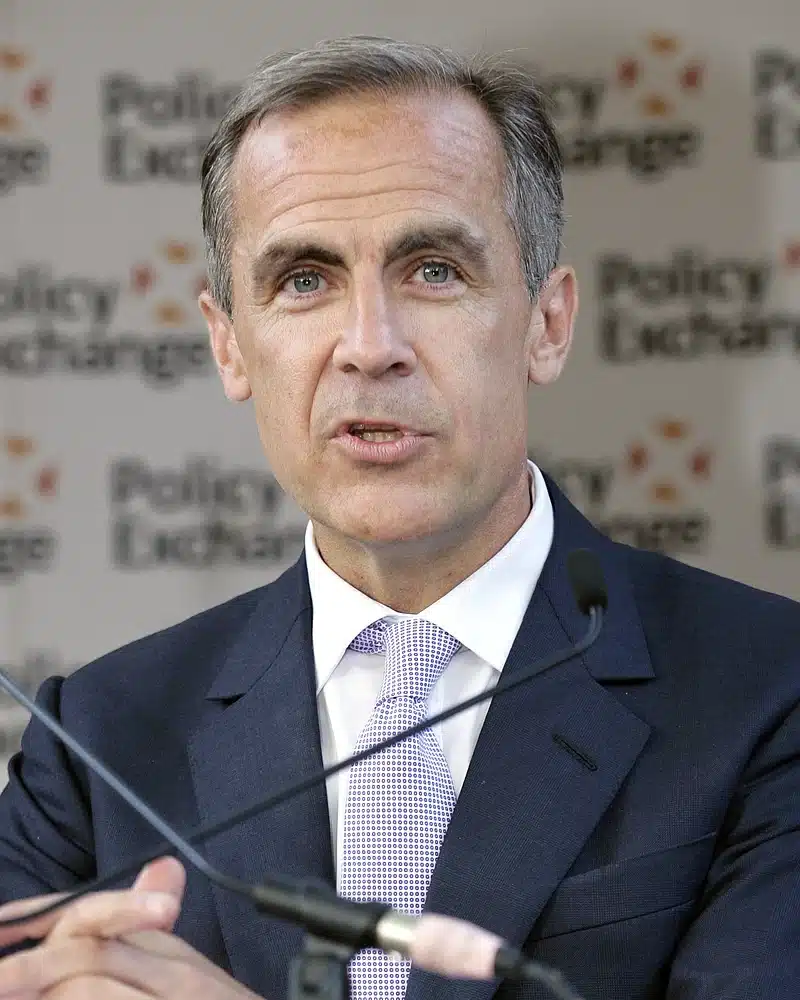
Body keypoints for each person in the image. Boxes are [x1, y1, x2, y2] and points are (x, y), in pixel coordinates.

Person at [0, 34, 798, 1000]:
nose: (369, 346)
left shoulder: (770, 692)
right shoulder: (98, 745)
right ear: (229, 345)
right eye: (305, 280)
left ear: (547, 324)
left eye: (433, 270)